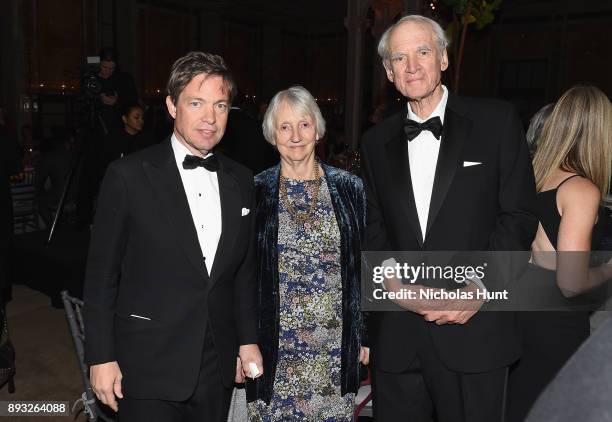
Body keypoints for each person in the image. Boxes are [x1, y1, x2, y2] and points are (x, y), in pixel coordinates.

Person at [360, 15, 537, 422]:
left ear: (442, 58)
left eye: (423, 51)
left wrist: (480, 288)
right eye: (399, 57)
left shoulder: (496, 121)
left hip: (475, 334)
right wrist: (391, 283)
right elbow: (374, 225)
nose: (412, 66)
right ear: (389, 72)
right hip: (399, 338)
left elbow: (518, 216)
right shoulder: (375, 142)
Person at [83, 51, 263, 421]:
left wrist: (246, 341)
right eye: (196, 103)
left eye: (221, 105)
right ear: (171, 105)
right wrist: (101, 356)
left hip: (216, 364)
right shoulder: (128, 175)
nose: (210, 118)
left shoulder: (242, 180)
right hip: (147, 361)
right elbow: (101, 276)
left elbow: (242, 272)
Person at [246, 86, 369, 421]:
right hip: (276, 350)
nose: (295, 136)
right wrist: (241, 342)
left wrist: (366, 334)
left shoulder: (350, 188)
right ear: (272, 134)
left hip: (333, 348)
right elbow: (241, 273)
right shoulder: (254, 191)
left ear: (318, 128)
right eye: (285, 127)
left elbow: (364, 264)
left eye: (304, 125)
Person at [506, 85, 612, 422]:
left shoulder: (533, 175)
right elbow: (570, 280)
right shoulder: (580, 188)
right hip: (556, 324)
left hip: (521, 315)